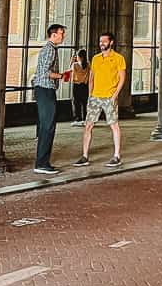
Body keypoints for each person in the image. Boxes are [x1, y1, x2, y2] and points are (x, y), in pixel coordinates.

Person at [75, 32, 126, 167]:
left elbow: (122, 78)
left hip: (109, 96)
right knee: (88, 125)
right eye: (100, 41)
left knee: (113, 125)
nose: (101, 43)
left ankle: (117, 156)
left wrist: (115, 96)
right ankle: (85, 156)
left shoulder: (118, 58)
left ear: (111, 42)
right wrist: (90, 95)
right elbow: (91, 78)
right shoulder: (96, 59)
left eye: (104, 41)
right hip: (95, 97)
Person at [33, 23, 65, 174]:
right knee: (48, 126)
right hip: (45, 89)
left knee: (47, 126)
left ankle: (43, 162)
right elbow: (45, 72)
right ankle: (41, 164)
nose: (63, 36)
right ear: (53, 35)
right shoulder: (49, 50)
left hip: (45, 90)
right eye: (61, 33)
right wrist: (62, 76)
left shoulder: (50, 49)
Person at [69, 48, 89, 125]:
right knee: (84, 103)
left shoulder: (75, 65)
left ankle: (78, 118)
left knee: (76, 102)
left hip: (76, 85)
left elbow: (70, 71)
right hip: (85, 85)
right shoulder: (88, 64)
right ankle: (85, 118)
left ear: (80, 56)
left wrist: (71, 61)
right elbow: (89, 75)